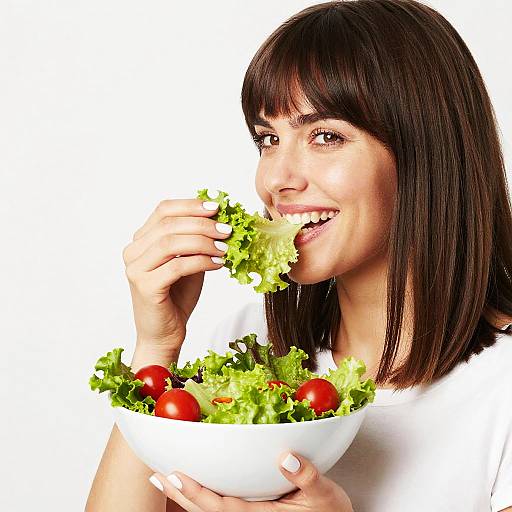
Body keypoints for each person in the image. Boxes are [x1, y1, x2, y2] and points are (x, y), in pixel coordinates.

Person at [86, 0, 512, 510]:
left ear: (425, 154)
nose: (277, 179)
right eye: (268, 139)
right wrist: (157, 349)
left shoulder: (500, 388)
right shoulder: (248, 348)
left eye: (325, 136)